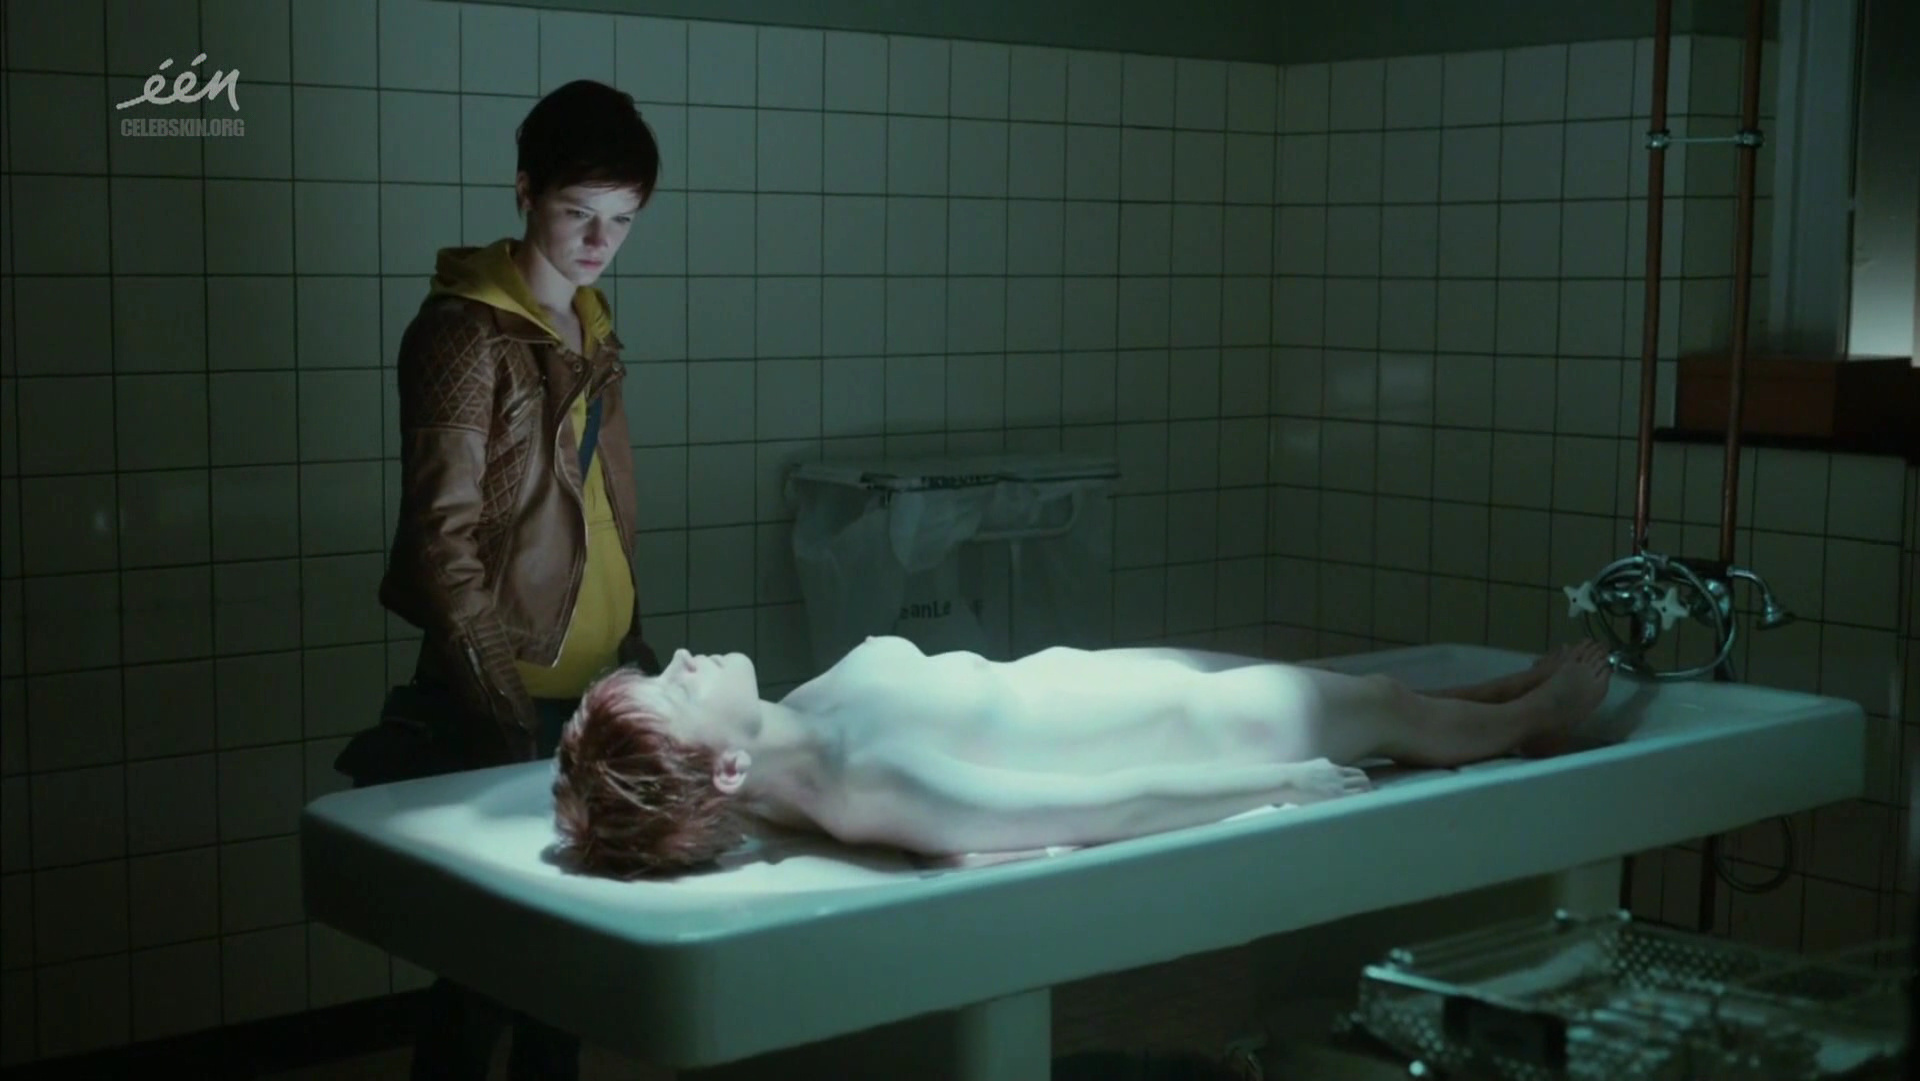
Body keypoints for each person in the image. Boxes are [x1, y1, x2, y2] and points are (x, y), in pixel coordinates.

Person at [368, 78, 665, 1081]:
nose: (598, 241)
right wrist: (500, 713)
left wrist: (632, 656)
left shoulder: (590, 325)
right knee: (488, 966)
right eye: (578, 212)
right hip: (507, 690)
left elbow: (597, 516)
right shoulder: (466, 333)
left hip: (589, 689)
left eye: (622, 220)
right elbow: (439, 545)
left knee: (565, 963)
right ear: (526, 190)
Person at [551, 636, 1616, 879]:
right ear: (726, 771)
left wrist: (602, 787)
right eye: (677, 686)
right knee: (1379, 710)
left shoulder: (784, 751)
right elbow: (1097, 807)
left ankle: (1491, 700)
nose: (683, 658)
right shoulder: (869, 784)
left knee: (1371, 700)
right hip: (1206, 729)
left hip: (1130, 680)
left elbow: (660, 801)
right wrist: (1279, 785)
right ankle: (1533, 717)